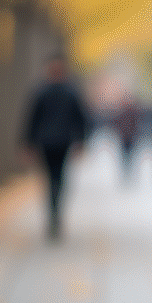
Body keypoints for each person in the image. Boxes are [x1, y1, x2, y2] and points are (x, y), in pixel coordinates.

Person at [23, 55, 91, 241]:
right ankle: (55, 212)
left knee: (52, 178)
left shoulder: (43, 91)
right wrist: (81, 141)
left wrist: (27, 143)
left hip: (52, 142)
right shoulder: (68, 91)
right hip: (59, 142)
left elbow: (31, 119)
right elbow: (81, 119)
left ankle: (54, 213)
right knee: (57, 178)